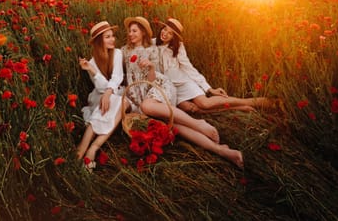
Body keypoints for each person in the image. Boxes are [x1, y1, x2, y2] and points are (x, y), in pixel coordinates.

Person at [121, 16, 244, 168]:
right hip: (139, 92)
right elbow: (115, 66)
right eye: (130, 31)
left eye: (135, 31)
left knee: (148, 107)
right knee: (173, 125)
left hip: (158, 86)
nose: (131, 34)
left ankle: (198, 123)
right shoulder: (128, 49)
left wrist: (208, 88)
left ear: (143, 33)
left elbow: (184, 69)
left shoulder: (155, 49)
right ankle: (222, 151)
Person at [155, 18, 270, 113]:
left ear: (174, 37)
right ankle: (239, 108)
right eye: (165, 30)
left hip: (183, 82)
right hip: (168, 86)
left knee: (205, 104)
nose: (165, 34)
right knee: (190, 108)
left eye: (170, 33)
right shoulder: (151, 43)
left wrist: (209, 89)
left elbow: (189, 68)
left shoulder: (178, 47)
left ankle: (254, 102)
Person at [76, 21, 127, 172]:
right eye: (107, 37)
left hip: (116, 93)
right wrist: (93, 71)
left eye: (112, 36)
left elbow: (117, 77)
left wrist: (108, 93)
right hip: (99, 96)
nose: (112, 39)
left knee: (115, 101)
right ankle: (79, 154)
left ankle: (91, 149)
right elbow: (101, 87)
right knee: (110, 103)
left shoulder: (117, 53)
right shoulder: (91, 62)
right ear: (99, 41)